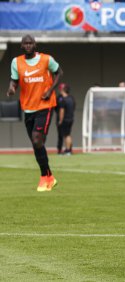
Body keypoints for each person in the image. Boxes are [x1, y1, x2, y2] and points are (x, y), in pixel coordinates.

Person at [6, 35, 62, 192]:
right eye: (26, 43)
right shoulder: (16, 62)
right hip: (28, 108)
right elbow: (14, 80)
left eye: (31, 43)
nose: (29, 45)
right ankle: (48, 176)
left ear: (35, 45)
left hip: (45, 105)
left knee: (37, 140)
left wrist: (50, 90)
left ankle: (45, 178)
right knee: (36, 143)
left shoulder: (46, 59)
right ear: (22, 46)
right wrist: (12, 88)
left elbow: (59, 72)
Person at [56, 83, 76, 155]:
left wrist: (60, 121)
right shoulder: (71, 98)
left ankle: (68, 151)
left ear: (62, 90)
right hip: (71, 118)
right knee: (68, 134)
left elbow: (61, 111)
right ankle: (69, 149)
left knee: (66, 135)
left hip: (65, 120)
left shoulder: (63, 100)